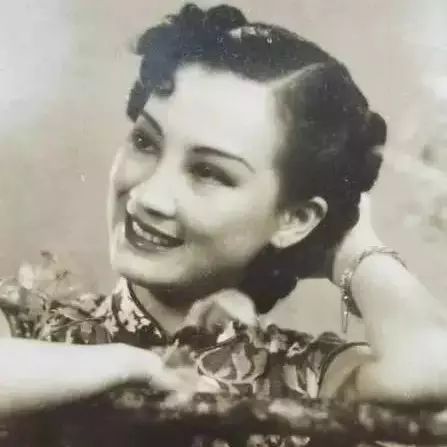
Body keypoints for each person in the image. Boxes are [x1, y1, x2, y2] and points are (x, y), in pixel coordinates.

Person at [1, 3, 447, 446]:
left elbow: (432, 368)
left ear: (296, 218)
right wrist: (129, 364)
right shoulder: (28, 326)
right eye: (144, 141)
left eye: (208, 172)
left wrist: (355, 246)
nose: (147, 196)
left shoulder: (303, 377)